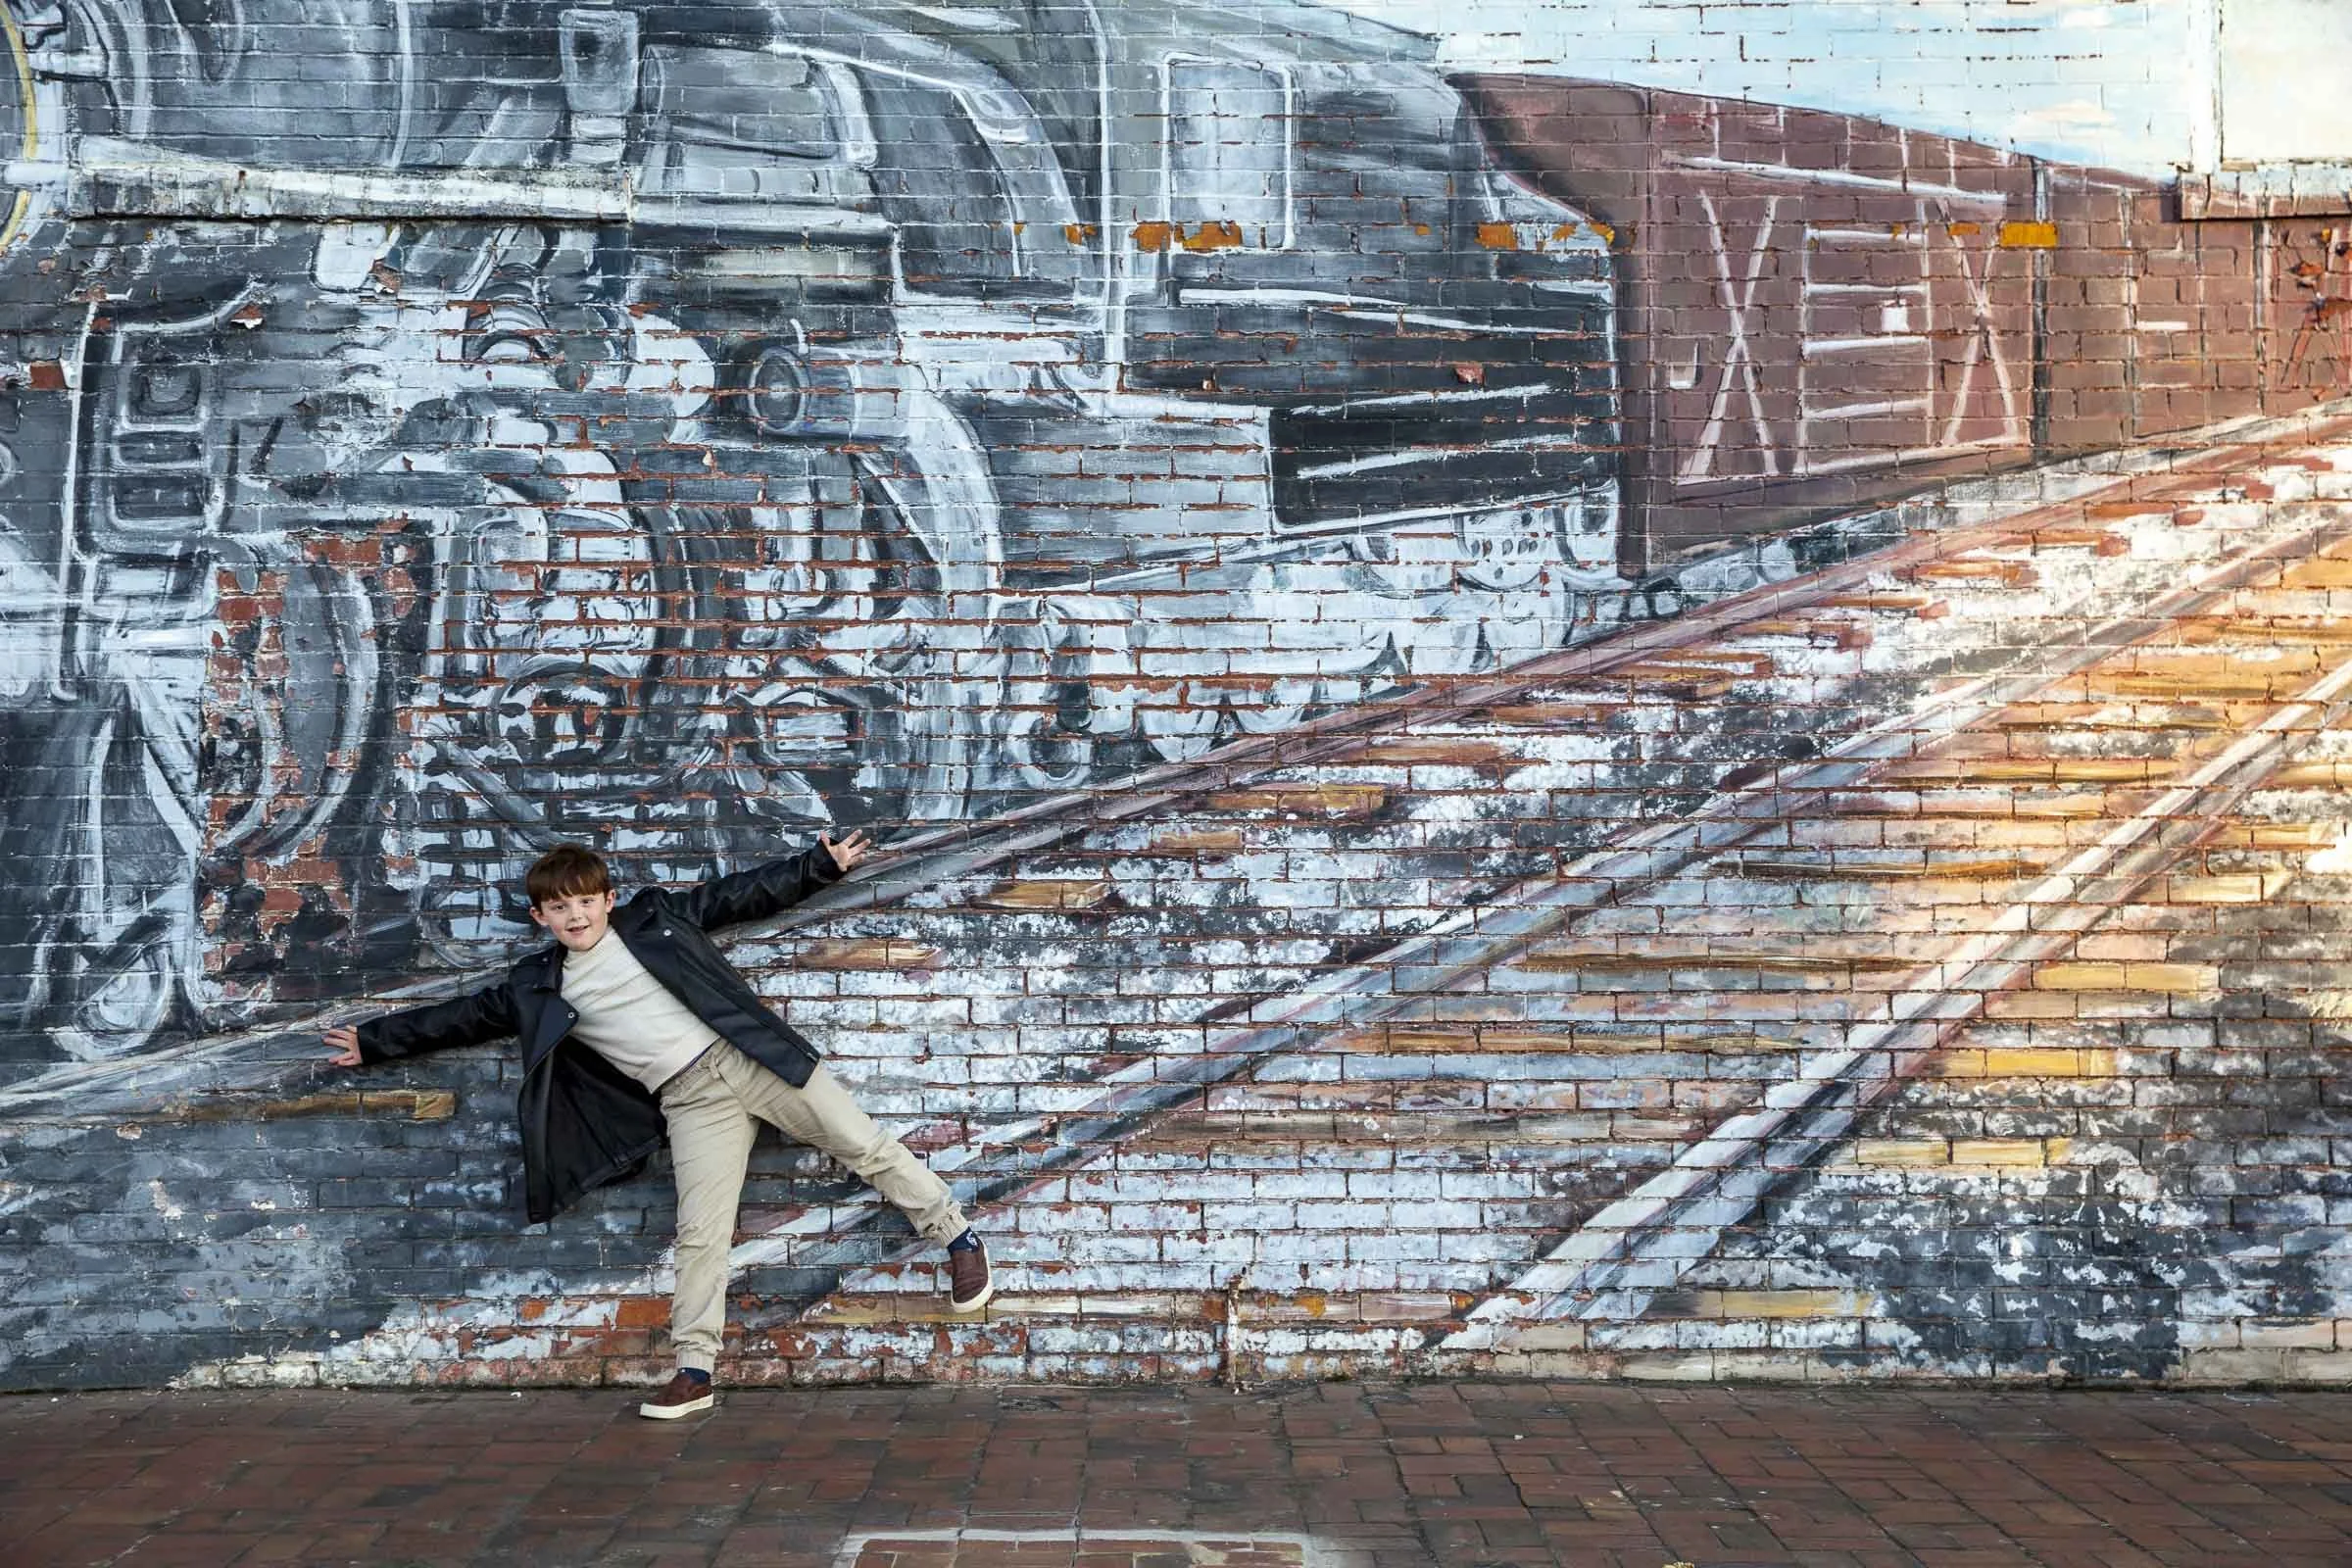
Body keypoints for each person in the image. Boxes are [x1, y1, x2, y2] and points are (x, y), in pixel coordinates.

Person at [322, 831, 988, 1419]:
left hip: (753, 1058)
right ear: (541, 917)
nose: (574, 914)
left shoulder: (656, 920)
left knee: (864, 1147)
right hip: (690, 1101)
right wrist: (376, 1041)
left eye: (585, 900)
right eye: (559, 907)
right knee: (701, 1234)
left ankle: (957, 1238)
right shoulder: (537, 986)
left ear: (608, 899)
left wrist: (819, 866)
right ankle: (695, 1370)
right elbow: (459, 1016)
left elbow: (738, 897)